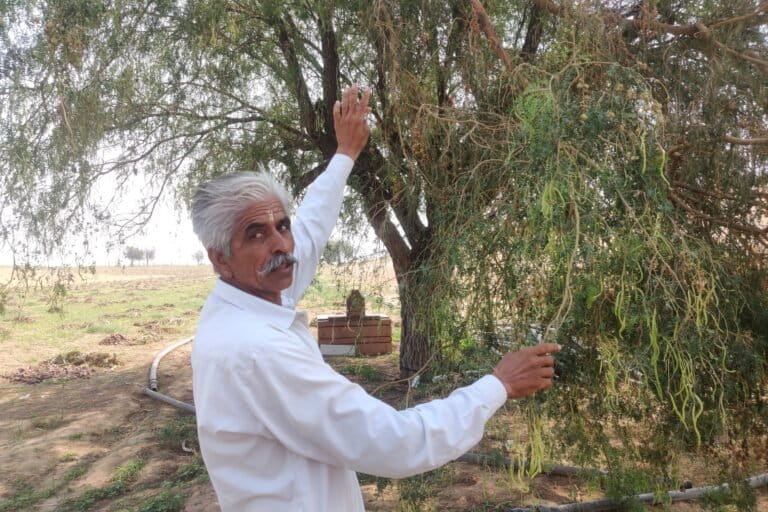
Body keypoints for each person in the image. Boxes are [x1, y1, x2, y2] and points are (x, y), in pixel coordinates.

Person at [190, 84, 560, 512]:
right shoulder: (257, 352)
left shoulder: (250, 292)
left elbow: (309, 231)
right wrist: (497, 386)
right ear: (220, 259)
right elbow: (394, 443)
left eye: (282, 225)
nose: (282, 245)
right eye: (256, 234)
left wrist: (345, 154)